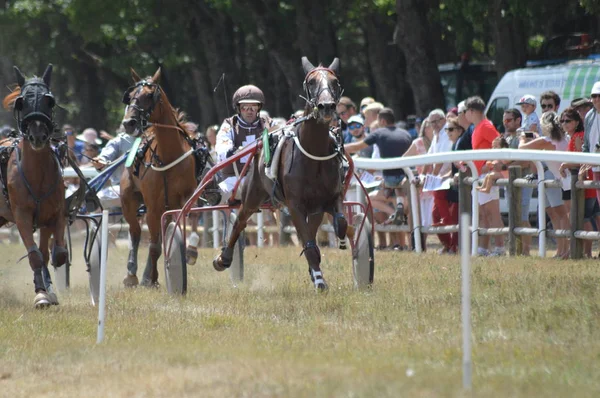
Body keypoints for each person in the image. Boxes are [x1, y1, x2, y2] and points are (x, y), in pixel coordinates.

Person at [345, 107, 412, 249]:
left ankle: (394, 214)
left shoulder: (379, 133)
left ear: (382, 121)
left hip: (390, 181)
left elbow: (357, 146)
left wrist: (339, 147)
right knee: (402, 205)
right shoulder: (406, 134)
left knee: (369, 199)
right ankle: (400, 218)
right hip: (406, 179)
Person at [519, 112, 571, 259]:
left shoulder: (547, 140)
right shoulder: (560, 139)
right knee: (561, 215)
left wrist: (523, 138)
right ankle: (563, 250)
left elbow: (522, 148)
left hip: (564, 181)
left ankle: (566, 250)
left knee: (562, 215)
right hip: (563, 180)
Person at [215, 84, 273, 204]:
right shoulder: (230, 125)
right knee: (220, 193)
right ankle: (212, 191)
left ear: (259, 108)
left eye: (253, 107)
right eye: (245, 107)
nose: (249, 111)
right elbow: (222, 143)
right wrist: (230, 151)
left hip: (263, 179)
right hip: (235, 179)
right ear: (238, 108)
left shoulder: (267, 123)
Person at [464, 96, 505, 256]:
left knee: (492, 212)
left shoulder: (486, 126)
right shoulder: (478, 127)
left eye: (466, 111)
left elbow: (499, 144)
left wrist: (492, 164)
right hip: (479, 174)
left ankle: (500, 248)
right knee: (482, 213)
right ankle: (483, 248)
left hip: (487, 174)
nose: (465, 114)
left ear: (472, 111)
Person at [559, 107, 599, 257]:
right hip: (584, 180)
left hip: (585, 181)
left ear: (576, 122)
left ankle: (587, 252)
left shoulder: (578, 136)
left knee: (583, 217)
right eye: (562, 121)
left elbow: (580, 160)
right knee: (584, 217)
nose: (564, 124)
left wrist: (565, 164)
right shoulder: (575, 135)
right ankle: (584, 251)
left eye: (568, 121)